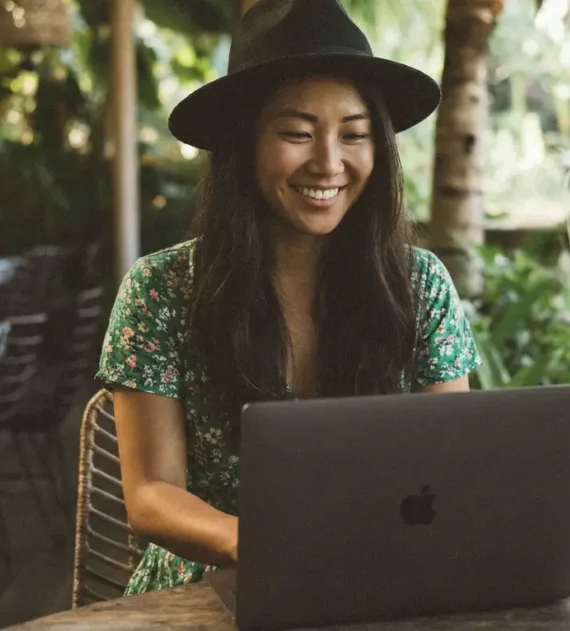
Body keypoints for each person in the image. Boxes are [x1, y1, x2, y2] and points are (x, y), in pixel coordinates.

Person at [95, 0, 481, 595]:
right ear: (243, 144)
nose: (328, 163)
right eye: (297, 133)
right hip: (210, 584)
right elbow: (151, 495)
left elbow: (455, 469)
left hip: (381, 576)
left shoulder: (421, 284)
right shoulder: (160, 289)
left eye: (353, 135)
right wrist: (254, 543)